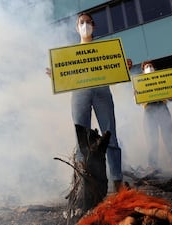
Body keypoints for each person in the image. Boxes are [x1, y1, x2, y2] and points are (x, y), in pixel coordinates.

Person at [46, 12, 125, 192]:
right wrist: (56, 76)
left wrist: (123, 67)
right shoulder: (69, 55)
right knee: (82, 140)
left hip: (102, 91)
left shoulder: (106, 49)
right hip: (79, 93)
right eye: (81, 22)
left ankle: (118, 182)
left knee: (110, 135)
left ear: (94, 26)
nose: (85, 25)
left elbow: (113, 71)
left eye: (88, 22)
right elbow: (66, 76)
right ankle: (85, 183)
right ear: (76, 27)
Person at [140, 60, 172, 174]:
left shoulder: (162, 80)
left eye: (151, 66)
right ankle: (153, 166)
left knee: (168, 137)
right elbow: (137, 101)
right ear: (143, 71)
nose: (149, 68)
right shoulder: (140, 82)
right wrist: (136, 93)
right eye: (147, 66)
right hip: (149, 110)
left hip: (162, 107)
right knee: (152, 139)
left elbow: (171, 98)